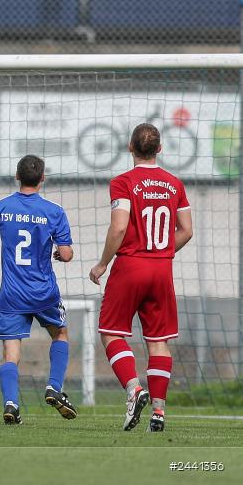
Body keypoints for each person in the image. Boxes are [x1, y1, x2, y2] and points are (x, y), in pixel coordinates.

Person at [89, 123, 193, 432]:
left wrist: (102, 263)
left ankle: (134, 390)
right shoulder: (175, 184)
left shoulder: (123, 182)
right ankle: (158, 413)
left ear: (130, 147)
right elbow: (187, 230)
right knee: (158, 341)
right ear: (160, 149)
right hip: (162, 268)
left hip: (131, 265)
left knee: (110, 331)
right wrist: (159, 250)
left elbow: (119, 227)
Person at [0, 154, 76, 425]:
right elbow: (67, 254)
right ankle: (54, 387)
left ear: (17, 176)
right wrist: (60, 254)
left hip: (12, 293)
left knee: (11, 353)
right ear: (43, 178)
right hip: (44, 291)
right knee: (60, 334)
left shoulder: (0, 208)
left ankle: (11, 403)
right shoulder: (54, 212)